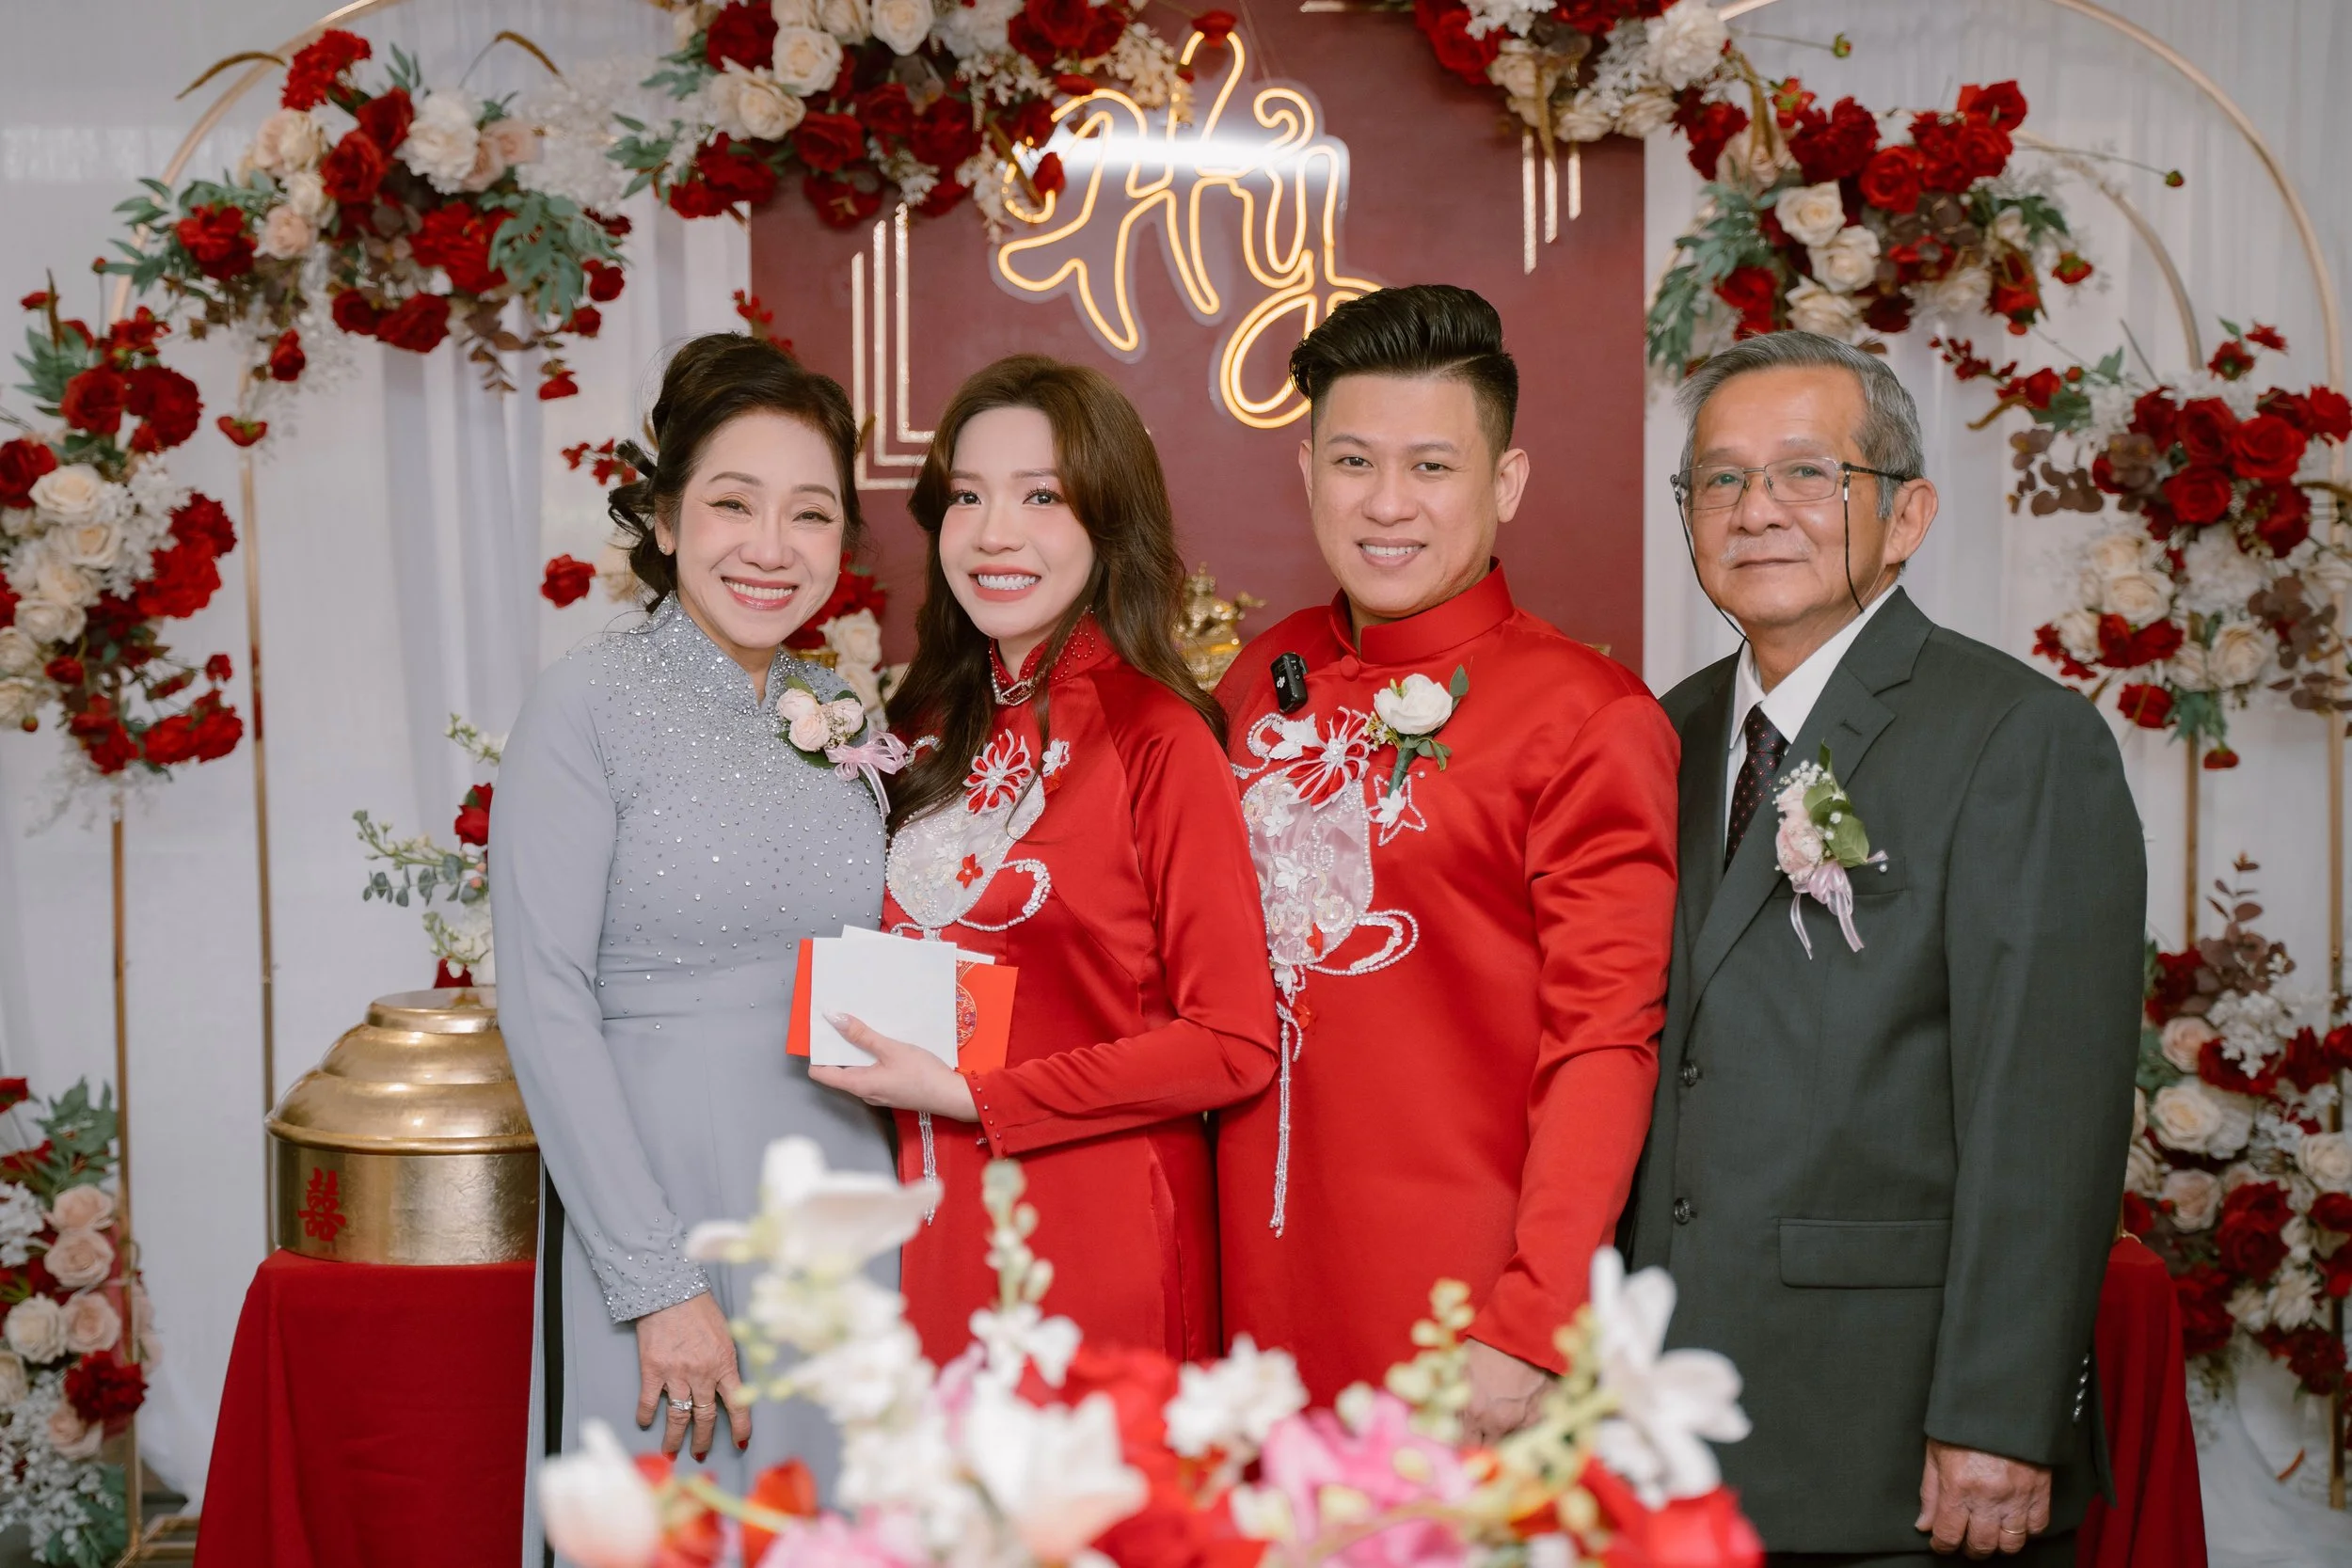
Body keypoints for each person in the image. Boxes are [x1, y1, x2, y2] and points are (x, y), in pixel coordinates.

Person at [1625, 330, 2143, 1562]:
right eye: (1720, 478)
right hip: (1656, 1420)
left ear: (1905, 515)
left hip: (1892, 1432)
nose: (1756, 510)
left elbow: (2045, 1106)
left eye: (1808, 473)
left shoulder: (2016, 736)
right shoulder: (1660, 736)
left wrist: (1999, 1412)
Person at [1212, 284, 1678, 1440]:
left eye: (1431, 466)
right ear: (1307, 468)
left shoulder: (1584, 715)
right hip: (1239, 1290)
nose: (1386, 503)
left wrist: (1533, 1320)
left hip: (1454, 1313)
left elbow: (1604, 1041)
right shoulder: (1257, 677)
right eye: (1353, 461)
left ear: (1504, 482)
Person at [491, 334, 897, 1566]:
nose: (772, 545)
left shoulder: (841, 710)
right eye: (733, 503)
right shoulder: (585, 706)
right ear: (665, 519)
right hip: (665, 1207)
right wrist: (655, 1280)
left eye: (809, 512)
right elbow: (544, 998)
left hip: (840, 1210)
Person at [811, 355, 1279, 1363]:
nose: (994, 533)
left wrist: (976, 1096)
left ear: (1108, 521)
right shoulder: (924, 726)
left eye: (1041, 497)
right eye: (966, 496)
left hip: (1094, 1236)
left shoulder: (1157, 738)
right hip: (932, 1231)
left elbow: (1232, 1042)